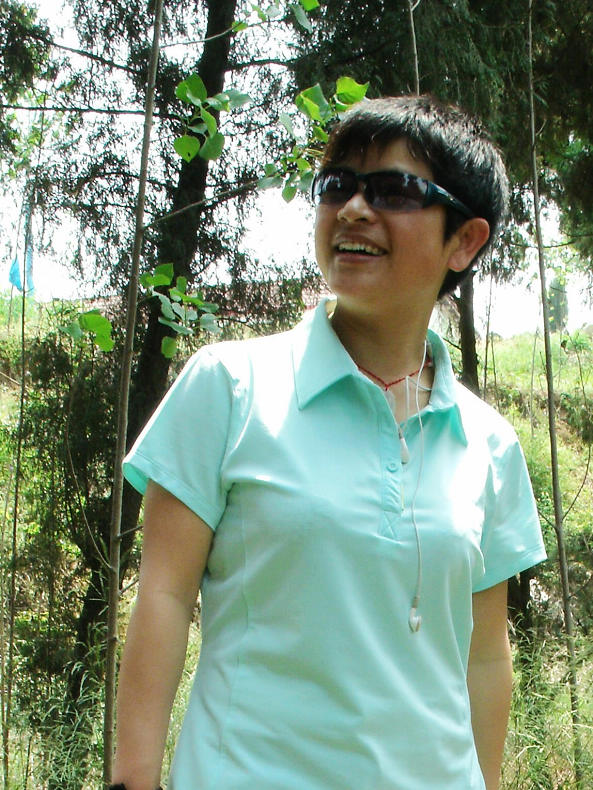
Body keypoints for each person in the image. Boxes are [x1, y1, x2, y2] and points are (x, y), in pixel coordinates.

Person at [111, 95, 546, 790]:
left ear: (463, 241)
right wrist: (133, 779)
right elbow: (162, 595)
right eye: (338, 185)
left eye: (394, 190)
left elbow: (485, 659)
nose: (353, 209)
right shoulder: (229, 388)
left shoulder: (489, 444)